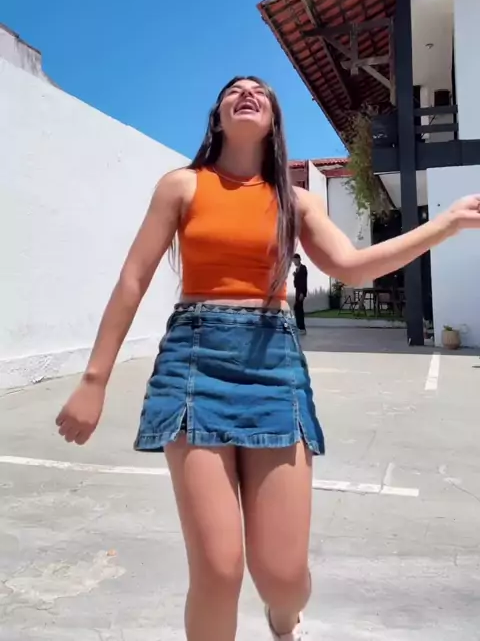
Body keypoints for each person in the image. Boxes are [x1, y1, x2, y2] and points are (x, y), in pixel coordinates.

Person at [56, 75, 480, 641]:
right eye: (234, 90)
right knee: (218, 570)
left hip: (273, 366)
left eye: (260, 91)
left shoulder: (296, 201)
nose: (247, 93)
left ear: (275, 120)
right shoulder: (182, 186)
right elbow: (133, 279)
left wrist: (445, 224)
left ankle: (284, 620)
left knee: (283, 579)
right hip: (194, 363)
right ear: (217, 117)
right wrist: (94, 379)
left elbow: (352, 267)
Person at [292, 253, 308, 335]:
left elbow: (303, 281)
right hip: (297, 291)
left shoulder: (303, 268)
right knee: (297, 308)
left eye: (295, 260)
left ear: (298, 259)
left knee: (298, 308)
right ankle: (300, 327)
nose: (294, 262)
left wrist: (302, 293)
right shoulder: (297, 269)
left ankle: (301, 328)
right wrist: (295, 276)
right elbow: (295, 284)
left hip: (301, 292)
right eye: (293, 261)